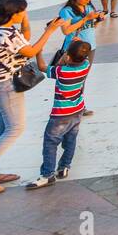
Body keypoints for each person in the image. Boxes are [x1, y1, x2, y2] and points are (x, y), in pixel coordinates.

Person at [0, 0, 61, 194]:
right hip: (6, 86)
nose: (24, 14)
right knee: (16, 128)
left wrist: (25, 17)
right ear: (13, 14)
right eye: (22, 11)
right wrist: (49, 31)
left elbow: (24, 37)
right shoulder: (7, 34)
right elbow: (32, 49)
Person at [26, 38, 93, 189]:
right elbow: (84, 54)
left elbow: (43, 67)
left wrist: (38, 52)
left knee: (50, 142)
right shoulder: (85, 65)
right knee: (70, 139)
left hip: (61, 114)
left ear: (68, 57)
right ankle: (64, 167)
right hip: (77, 110)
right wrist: (73, 48)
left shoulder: (62, 72)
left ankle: (47, 174)